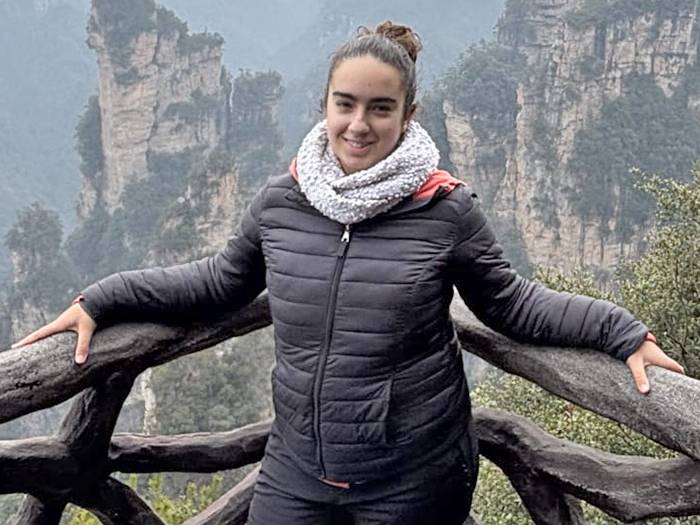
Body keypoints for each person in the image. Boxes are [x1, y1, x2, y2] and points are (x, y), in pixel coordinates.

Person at [13, 21, 685, 525]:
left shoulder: (445, 210)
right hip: (297, 467)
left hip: (413, 477)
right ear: (325, 104)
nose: (359, 125)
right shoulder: (282, 202)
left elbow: (513, 305)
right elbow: (215, 283)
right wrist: (101, 299)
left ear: (408, 115)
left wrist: (622, 332)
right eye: (345, 104)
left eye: (380, 108)